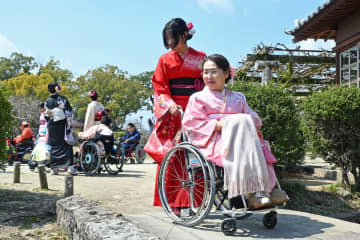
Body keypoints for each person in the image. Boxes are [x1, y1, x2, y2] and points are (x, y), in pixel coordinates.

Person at [183, 54, 288, 209]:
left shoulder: (239, 98)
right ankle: (249, 194)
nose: (208, 76)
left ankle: (265, 190)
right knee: (237, 149)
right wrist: (219, 124)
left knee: (259, 147)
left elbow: (255, 119)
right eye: (205, 72)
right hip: (214, 139)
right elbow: (191, 123)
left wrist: (242, 121)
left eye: (213, 72)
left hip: (242, 138)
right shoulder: (197, 98)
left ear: (226, 74)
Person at [144, 18, 206, 207]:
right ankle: (173, 201)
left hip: (197, 110)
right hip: (174, 112)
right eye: (168, 40)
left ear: (185, 35)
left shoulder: (201, 57)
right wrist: (169, 104)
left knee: (198, 157)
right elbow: (160, 88)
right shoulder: (164, 60)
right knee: (173, 156)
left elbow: (210, 81)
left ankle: (195, 200)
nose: (170, 43)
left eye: (173, 38)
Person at [45, 82, 76, 175]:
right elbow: (70, 111)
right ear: (57, 88)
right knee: (67, 144)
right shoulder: (63, 99)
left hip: (52, 125)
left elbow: (46, 115)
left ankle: (54, 168)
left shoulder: (47, 101)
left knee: (54, 146)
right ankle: (70, 168)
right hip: (64, 125)